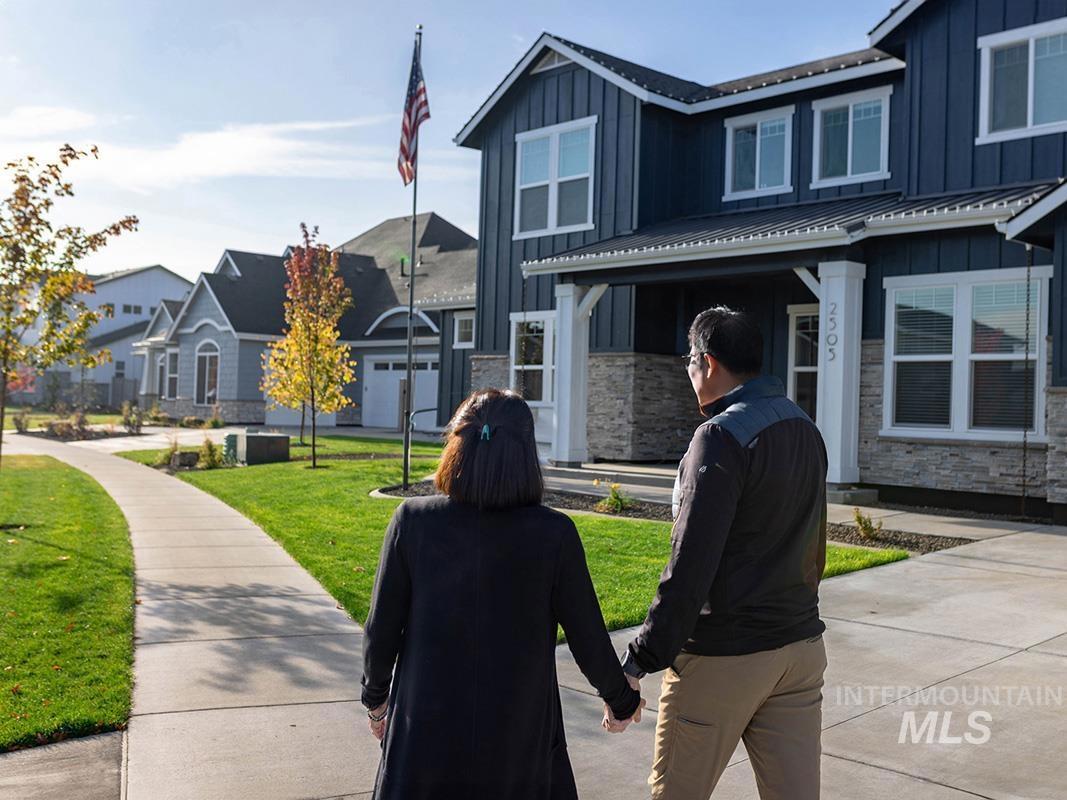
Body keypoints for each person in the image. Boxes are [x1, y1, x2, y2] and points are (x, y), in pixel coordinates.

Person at [360, 388, 644, 800]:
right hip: (519, 740)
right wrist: (621, 700)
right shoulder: (553, 534)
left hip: (424, 737)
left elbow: (382, 629)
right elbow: (588, 638)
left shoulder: (413, 522)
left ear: (456, 446)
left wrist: (376, 701)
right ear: (526, 454)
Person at [620, 306, 829, 800]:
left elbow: (690, 564)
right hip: (800, 651)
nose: (689, 372)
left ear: (708, 362)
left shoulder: (719, 437)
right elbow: (813, 547)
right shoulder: (805, 426)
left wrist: (638, 660)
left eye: (689, 361)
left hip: (724, 658)